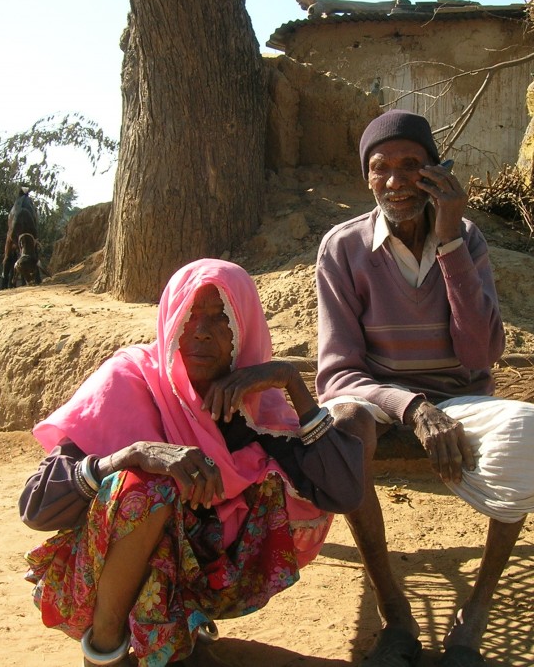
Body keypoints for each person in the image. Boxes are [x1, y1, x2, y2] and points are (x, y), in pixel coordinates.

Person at [20, 258, 370, 667]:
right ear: (170, 320)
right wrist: (131, 455)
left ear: (243, 326)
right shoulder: (128, 380)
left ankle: (179, 629)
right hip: (98, 570)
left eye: (220, 316)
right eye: (189, 313)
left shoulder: (255, 408)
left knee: (275, 480)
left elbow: (343, 491)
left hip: (206, 579)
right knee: (148, 487)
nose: (201, 330)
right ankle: (106, 650)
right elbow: (36, 506)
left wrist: (291, 381)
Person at [317, 110, 534, 667]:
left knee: (526, 428)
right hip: (381, 399)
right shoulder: (343, 248)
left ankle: (474, 615)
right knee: (344, 428)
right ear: (367, 178)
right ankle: (396, 615)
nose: (396, 181)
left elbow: (479, 354)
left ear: (435, 173)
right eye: (381, 169)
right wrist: (412, 406)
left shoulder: (466, 238)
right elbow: (337, 374)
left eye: (411, 166)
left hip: (460, 397)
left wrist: (448, 242)